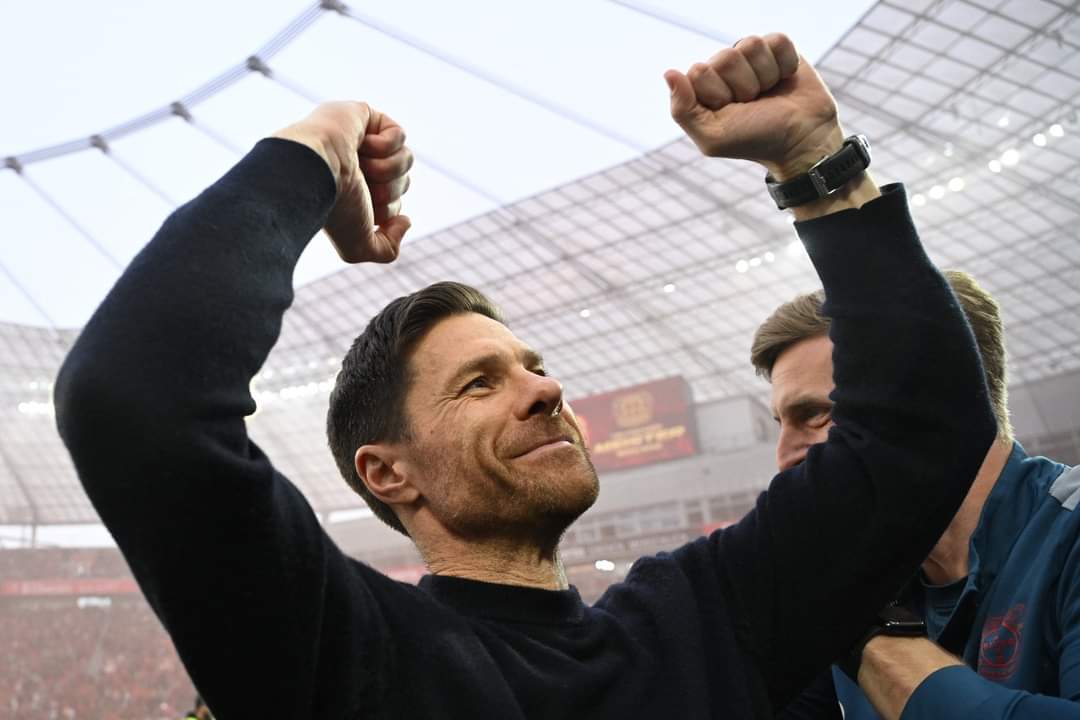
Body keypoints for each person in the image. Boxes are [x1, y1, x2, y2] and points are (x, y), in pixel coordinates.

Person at [55, 35, 997, 718]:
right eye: (479, 384)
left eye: (534, 368)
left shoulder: (706, 616)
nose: (545, 391)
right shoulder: (346, 651)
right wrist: (320, 146)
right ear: (387, 472)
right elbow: (134, 399)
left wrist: (815, 160)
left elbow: (923, 429)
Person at [757, 275, 1080, 718]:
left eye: (815, 414)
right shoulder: (863, 572)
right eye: (781, 424)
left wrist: (865, 631)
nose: (784, 457)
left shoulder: (1069, 534)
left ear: (941, 406)